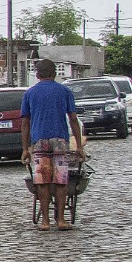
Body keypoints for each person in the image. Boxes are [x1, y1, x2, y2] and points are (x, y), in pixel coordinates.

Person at [20, 58, 86, 231]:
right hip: (60, 140)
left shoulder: (30, 93)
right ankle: (62, 220)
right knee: (61, 180)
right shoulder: (64, 92)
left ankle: (45, 222)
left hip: (39, 141)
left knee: (41, 181)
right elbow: (73, 119)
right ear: (55, 74)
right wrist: (79, 146)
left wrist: (25, 149)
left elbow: (25, 123)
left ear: (37, 74)